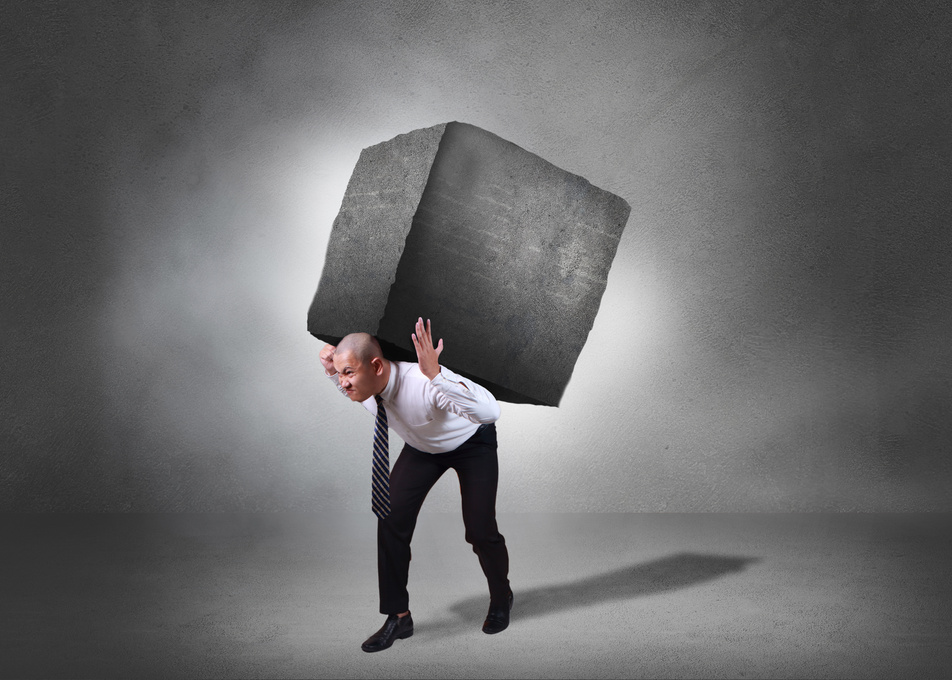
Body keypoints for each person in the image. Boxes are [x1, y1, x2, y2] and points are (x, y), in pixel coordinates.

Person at [319, 317, 513, 653]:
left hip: (470, 443)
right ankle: (399, 617)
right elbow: (349, 374)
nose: (343, 384)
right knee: (390, 519)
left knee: (480, 530)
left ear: (376, 366)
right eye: (341, 376)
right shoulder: (366, 387)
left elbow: (490, 411)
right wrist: (333, 368)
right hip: (423, 449)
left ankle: (501, 596)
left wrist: (437, 375)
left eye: (348, 374)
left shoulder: (423, 382)